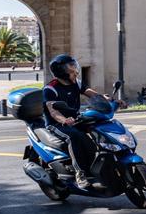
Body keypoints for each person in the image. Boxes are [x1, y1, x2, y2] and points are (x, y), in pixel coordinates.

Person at [43, 54, 110, 190]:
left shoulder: (76, 83)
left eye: (73, 64)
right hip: (57, 124)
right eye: (71, 66)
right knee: (73, 137)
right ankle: (81, 174)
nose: (74, 68)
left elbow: (91, 93)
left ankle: (103, 166)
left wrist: (108, 100)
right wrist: (64, 120)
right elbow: (53, 111)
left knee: (99, 128)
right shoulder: (50, 89)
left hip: (76, 119)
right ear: (62, 70)